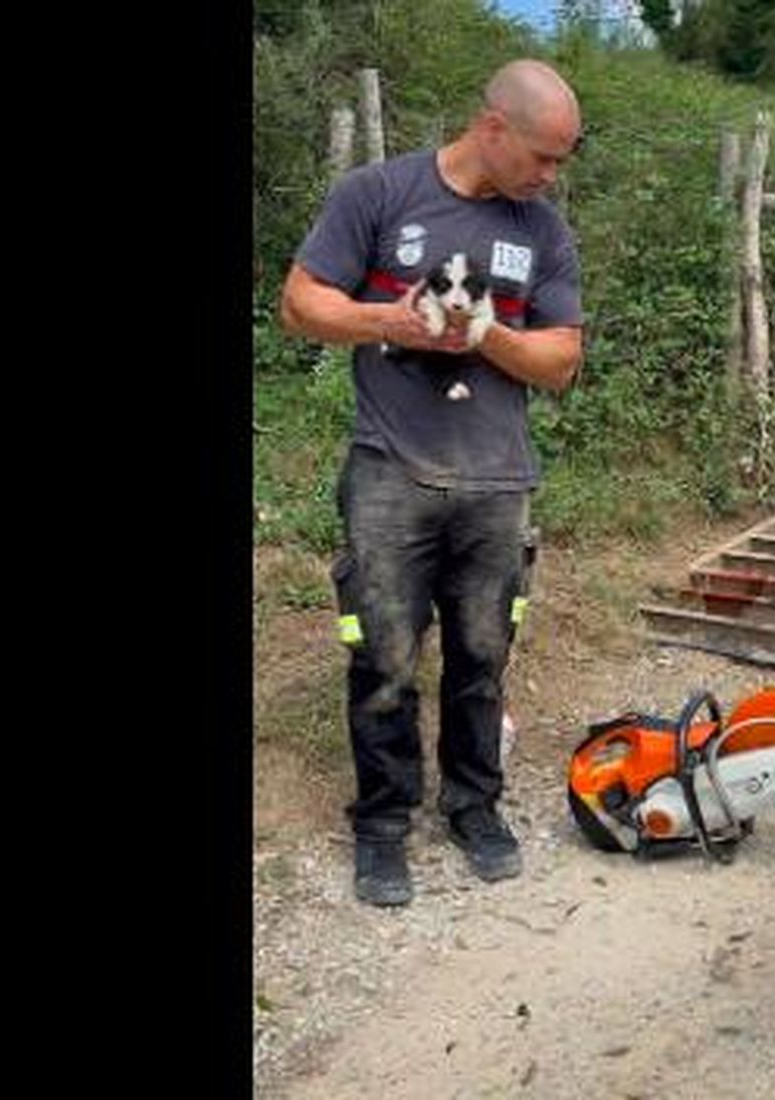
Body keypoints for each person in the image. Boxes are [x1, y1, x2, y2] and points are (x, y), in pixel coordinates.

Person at [279, 59, 584, 906]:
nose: (550, 176)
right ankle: (383, 826)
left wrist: (482, 333)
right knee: (382, 658)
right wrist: (391, 320)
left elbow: (562, 361)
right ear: (493, 127)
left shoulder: (544, 230)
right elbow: (300, 304)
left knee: (483, 657)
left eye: (561, 161)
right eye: (542, 157)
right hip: (389, 472)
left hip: (498, 483)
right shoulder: (377, 194)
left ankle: (474, 808)